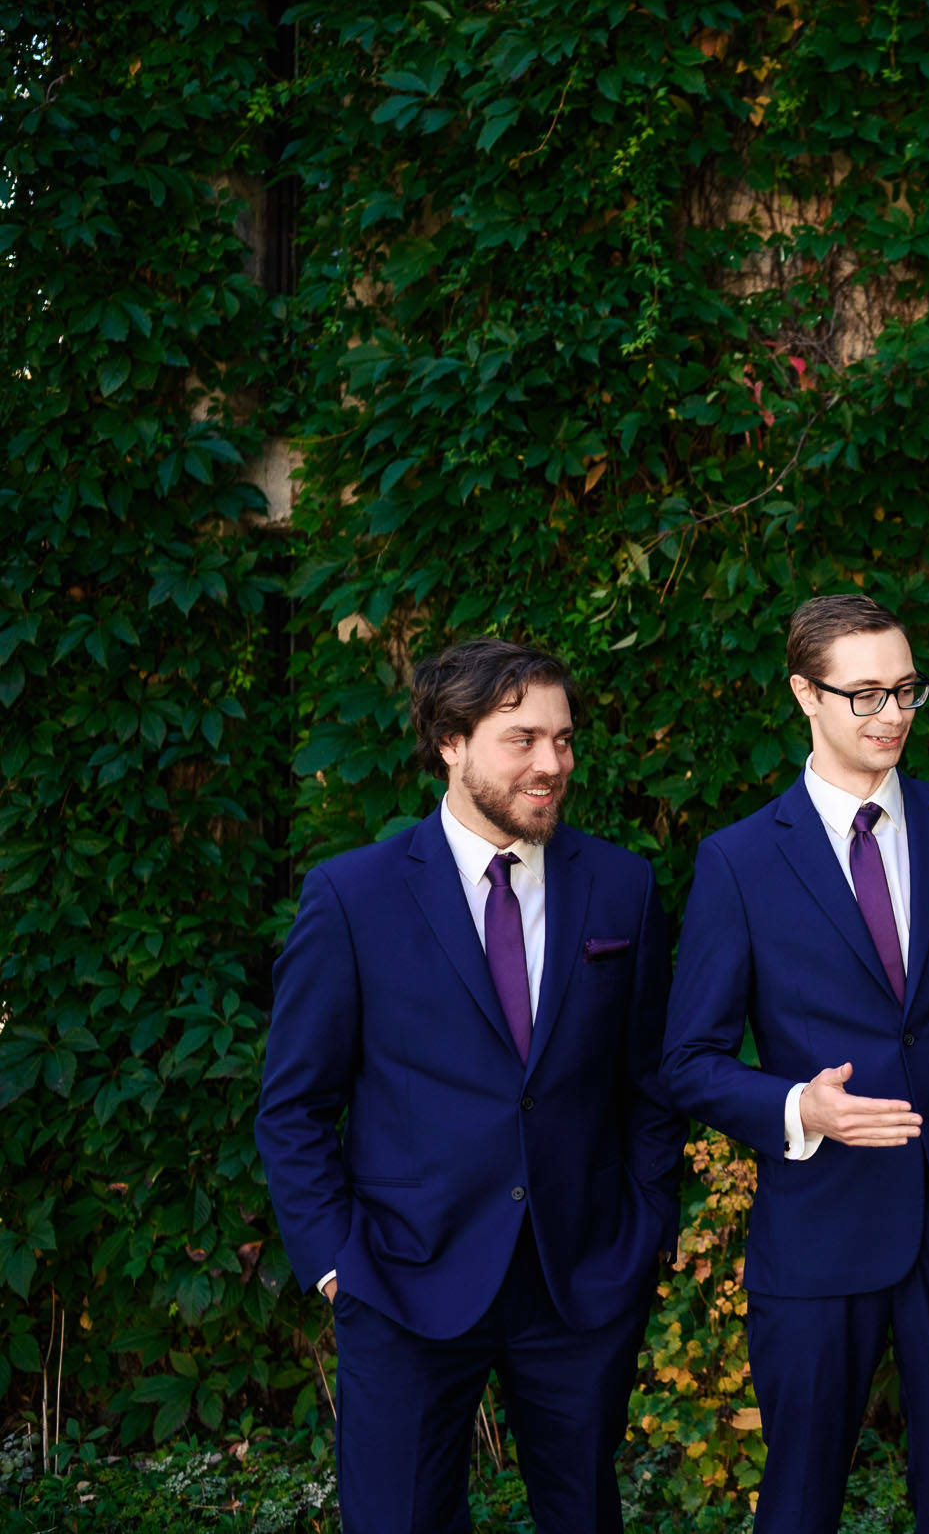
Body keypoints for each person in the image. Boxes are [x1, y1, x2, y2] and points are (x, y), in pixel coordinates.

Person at [256, 638, 682, 1534]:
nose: (552, 762)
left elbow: (647, 1082)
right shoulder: (352, 897)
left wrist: (643, 1227)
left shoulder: (621, 886)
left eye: (563, 739)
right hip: (401, 1278)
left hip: (578, 1279)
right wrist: (337, 1265)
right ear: (450, 742)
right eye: (521, 738)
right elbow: (294, 1107)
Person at [661, 595, 929, 1534]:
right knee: (800, 1499)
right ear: (804, 694)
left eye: (905, 689)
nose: (892, 714)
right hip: (816, 1228)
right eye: (864, 694)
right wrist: (798, 1109)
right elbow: (688, 1060)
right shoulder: (738, 860)